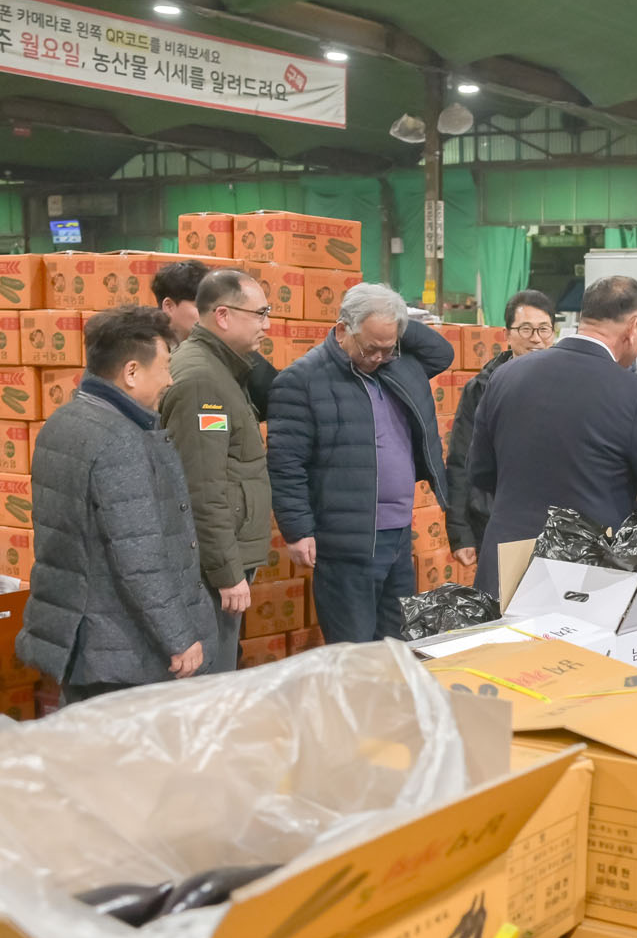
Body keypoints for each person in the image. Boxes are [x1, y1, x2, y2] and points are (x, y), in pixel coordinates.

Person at [18, 306, 214, 701]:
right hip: (122, 650)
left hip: (79, 636)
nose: (170, 379)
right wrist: (179, 636)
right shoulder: (121, 441)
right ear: (131, 372)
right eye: (164, 367)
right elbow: (139, 557)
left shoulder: (63, 421)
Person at [468, 276, 637, 596]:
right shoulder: (634, 394)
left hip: (507, 565)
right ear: (634, 326)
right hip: (585, 575)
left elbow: (480, 471)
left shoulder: (506, 375)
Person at [267, 284, 454, 643]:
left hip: (398, 533)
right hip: (345, 540)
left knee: (396, 642)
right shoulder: (301, 380)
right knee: (354, 648)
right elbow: (286, 464)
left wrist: (392, 320)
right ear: (342, 330)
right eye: (370, 348)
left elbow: (441, 353)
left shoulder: (396, 368)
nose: (378, 357)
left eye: (389, 348)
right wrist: (297, 530)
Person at [158, 270, 273, 671]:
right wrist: (226, 572)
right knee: (212, 678)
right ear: (223, 315)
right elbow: (201, 487)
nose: (266, 325)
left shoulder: (223, 369)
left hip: (220, 557)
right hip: (211, 567)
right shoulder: (202, 380)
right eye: (260, 314)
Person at [446, 290, 558, 568]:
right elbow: (460, 459)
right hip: (496, 522)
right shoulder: (482, 388)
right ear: (507, 334)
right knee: (500, 593)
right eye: (526, 329)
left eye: (544, 329)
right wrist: (460, 532)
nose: (536, 338)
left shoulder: (568, 386)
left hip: (555, 523)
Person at [152, 258, 279, 418]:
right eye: (200, 306)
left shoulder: (235, 353)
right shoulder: (147, 352)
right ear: (169, 306)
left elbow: (273, 397)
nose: (209, 313)